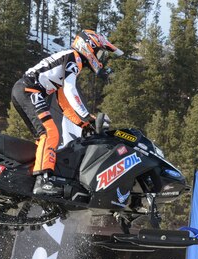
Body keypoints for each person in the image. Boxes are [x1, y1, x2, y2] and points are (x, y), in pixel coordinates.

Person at [11, 29, 123, 196]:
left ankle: (30, 175)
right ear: (89, 47)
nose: (100, 60)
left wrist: (85, 123)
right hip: (29, 90)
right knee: (50, 133)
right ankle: (43, 180)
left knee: (43, 136)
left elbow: (64, 103)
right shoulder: (74, 57)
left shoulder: (66, 60)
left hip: (26, 90)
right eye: (99, 53)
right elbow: (71, 91)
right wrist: (86, 116)